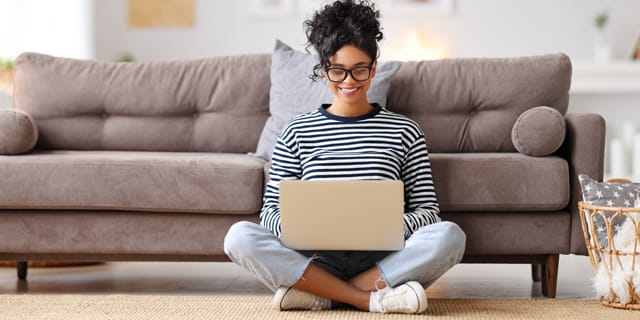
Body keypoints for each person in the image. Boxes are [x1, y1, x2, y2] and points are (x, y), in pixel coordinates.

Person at [224, 0, 466, 314]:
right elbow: (270, 212)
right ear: (324, 70)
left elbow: (428, 212)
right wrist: (302, 228)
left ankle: (318, 293)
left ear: (374, 67)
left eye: (359, 70)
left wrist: (385, 225)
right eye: (337, 71)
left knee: (450, 236)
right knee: (239, 237)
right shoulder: (296, 131)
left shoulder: (405, 130)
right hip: (314, 257)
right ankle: (368, 298)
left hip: (382, 258)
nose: (349, 81)